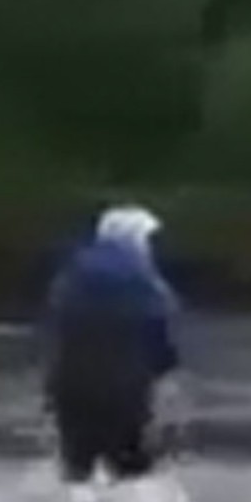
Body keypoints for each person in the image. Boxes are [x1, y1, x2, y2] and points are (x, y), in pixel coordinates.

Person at [41, 203, 183, 484]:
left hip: (69, 385)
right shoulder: (145, 282)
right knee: (132, 472)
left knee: (76, 468)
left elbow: (54, 328)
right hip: (124, 387)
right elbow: (160, 344)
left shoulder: (72, 275)